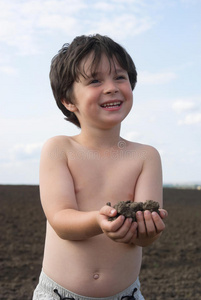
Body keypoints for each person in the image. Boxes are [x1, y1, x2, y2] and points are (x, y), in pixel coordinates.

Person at [33, 34, 168, 300]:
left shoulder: (146, 156)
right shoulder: (59, 149)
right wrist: (99, 220)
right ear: (68, 100)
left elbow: (144, 237)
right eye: (95, 80)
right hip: (59, 294)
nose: (112, 87)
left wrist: (148, 231)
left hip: (126, 295)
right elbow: (60, 219)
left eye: (120, 77)